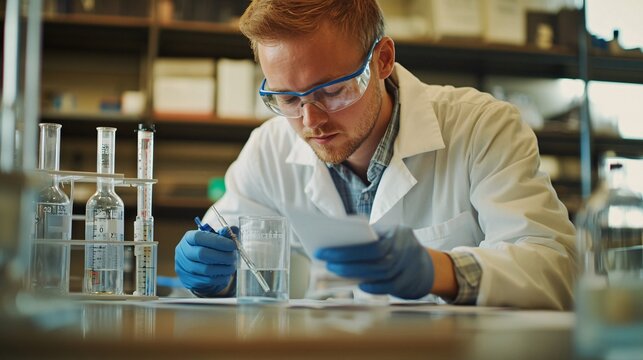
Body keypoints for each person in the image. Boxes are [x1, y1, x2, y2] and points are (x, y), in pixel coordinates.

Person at [175, 0, 577, 309]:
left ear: (382, 60)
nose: (310, 120)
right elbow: (226, 245)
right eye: (286, 98)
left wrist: (441, 270)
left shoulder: (481, 128)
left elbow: (553, 268)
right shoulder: (268, 149)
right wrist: (212, 275)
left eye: (332, 91)